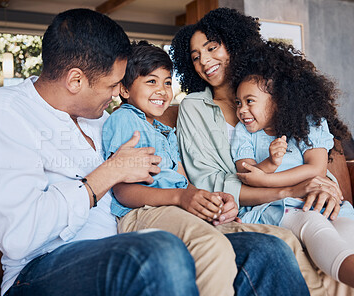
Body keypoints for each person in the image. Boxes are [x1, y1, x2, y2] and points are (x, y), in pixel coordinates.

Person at [0, 9, 200, 296]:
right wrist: (109, 172)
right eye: (113, 85)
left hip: (126, 246)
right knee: (158, 252)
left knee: (258, 249)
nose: (117, 94)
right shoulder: (5, 111)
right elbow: (19, 236)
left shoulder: (104, 120)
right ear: (76, 80)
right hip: (39, 270)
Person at [102, 41, 310, 296]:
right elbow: (124, 191)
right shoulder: (124, 119)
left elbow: (184, 182)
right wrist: (181, 197)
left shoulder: (165, 132)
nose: (163, 90)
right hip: (143, 211)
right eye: (151, 81)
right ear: (124, 89)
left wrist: (213, 201)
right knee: (211, 245)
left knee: (282, 239)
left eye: (168, 83)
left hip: (177, 208)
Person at [170, 7, 350, 295]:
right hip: (250, 211)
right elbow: (210, 182)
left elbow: (311, 159)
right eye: (195, 57)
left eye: (212, 48)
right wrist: (290, 191)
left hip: (304, 199)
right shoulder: (194, 108)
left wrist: (328, 187)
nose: (204, 61)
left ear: (234, 43)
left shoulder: (277, 100)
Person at [228, 41, 354, 286]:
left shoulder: (310, 123)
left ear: (278, 100)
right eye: (238, 102)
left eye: (250, 101)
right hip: (278, 206)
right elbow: (247, 172)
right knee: (313, 222)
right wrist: (270, 164)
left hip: (317, 198)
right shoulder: (245, 133)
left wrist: (264, 178)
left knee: (347, 226)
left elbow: (316, 169)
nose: (242, 110)